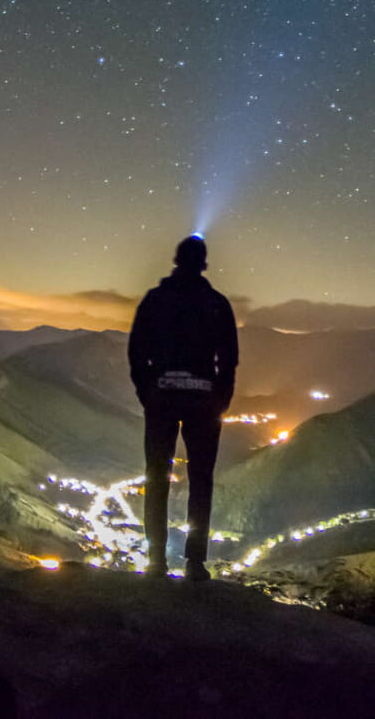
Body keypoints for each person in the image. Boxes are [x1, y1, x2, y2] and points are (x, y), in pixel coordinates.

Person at [127, 235, 238, 581]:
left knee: (156, 477)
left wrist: (148, 391)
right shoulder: (217, 304)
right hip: (204, 403)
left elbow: (136, 352)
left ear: (176, 261)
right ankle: (194, 563)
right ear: (203, 263)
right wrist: (220, 399)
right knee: (200, 480)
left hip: (161, 399)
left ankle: (156, 560)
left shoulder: (155, 300)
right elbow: (229, 359)